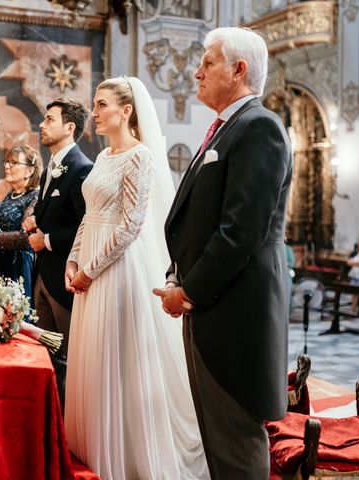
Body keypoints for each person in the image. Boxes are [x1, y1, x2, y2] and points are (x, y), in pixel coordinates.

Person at [154, 27, 293, 478]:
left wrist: (188, 290)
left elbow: (240, 231)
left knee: (234, 437)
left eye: (208, 62)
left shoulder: (259, 127)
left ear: (239, 69)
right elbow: (201, 220)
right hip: (211, 305)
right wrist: (180, 276)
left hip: (236, 312)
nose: (197, 71)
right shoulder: (226, 128)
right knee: (215, 434)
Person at [64, 77, 208, 479]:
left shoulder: (140, 157)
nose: (94, 112)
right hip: (88, 267)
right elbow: (89, 214)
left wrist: (91, 269)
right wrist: (73, 260)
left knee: (118, 359)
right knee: (91, 356)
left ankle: (125, 453)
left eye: (101, 104)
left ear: (126, 110)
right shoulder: (104, 157)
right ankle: (91, 446)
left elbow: (130, 226)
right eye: (95, 105)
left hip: (116, 270)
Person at [22, 98, 93, 406]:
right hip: (42, 277)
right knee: (45, 356)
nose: (42, 124)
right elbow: (52, 209)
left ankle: (68, 425)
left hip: (64, 280)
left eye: (49, 119)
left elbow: (85, 225)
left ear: (69, 127)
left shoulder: (82, 169)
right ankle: (50, 419)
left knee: (67, 358)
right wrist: (37, 218)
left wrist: (46, 239)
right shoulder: (50, 167)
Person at [0, 146, 42, 297]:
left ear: (30, 171)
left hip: (14, 270)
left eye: (14, 163)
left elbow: (26, 238)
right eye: (6, 162)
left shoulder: (35, 198)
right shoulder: (9, 196)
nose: (6, 166)